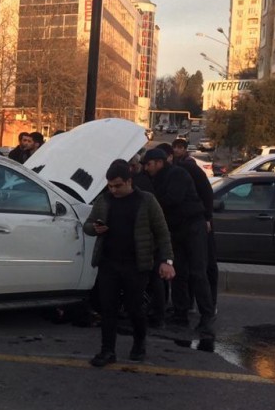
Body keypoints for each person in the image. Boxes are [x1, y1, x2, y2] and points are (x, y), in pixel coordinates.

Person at [84, 159, 175, 367]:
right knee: (108, 309)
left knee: (135, 308)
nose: (113, 189)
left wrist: (167, 261)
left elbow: (162, 233)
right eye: (110, 185)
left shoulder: (147, 201)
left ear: (129, 181)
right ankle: (107, 351)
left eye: (118, 185)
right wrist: (94, 228)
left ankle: (139, 343)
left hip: (137, 265)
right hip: (109, 263)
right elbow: (87, 225)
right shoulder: (104, 200)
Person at [140, 148, 216, 348]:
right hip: (176, 229)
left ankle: (207, 316)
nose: (146, 169)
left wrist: (151, 207)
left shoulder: (177, 174)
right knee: (179, 272)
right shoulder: (158, 178)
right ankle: (180, 312)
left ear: (158, 162)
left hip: (193, 226)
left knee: (198, 272)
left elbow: (172, 199)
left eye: (148, 164)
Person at [171, 138, 218, 307]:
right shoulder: (175, 168)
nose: (177, 151)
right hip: (187, 223)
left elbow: (206, 192)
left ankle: (209, 306)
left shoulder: (189, 166)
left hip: (200, 220)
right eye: (174, 148)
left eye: (179, 148)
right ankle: (186, 304)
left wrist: (206, 217)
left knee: (204, 267)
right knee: (184, 269)